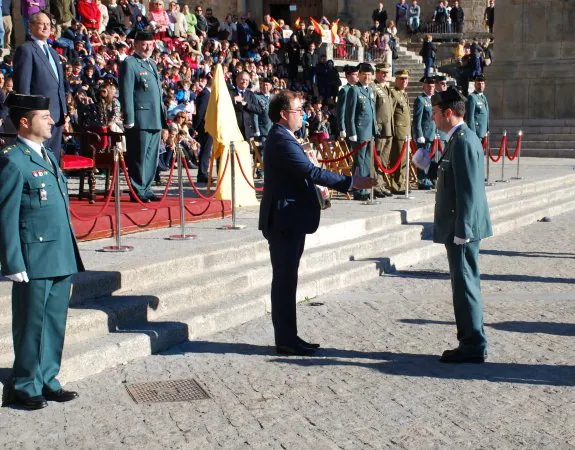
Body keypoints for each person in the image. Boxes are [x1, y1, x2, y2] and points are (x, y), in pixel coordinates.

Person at [258, 90, 377, 356]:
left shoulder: (286, 137)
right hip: (283, 219)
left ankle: (290, 336)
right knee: (284, 280)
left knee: (289, 280)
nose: (303, 115)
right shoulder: (280, 139)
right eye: (298, 111)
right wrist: (350, 182)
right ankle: (286, 340)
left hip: (290, 218)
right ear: (283, 114)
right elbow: (311, 172)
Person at [0, 93, 84, 409]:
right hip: (33, 258)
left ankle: (48, 379)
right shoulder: (12, 159)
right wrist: (11, 260)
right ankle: (25, 383)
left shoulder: (48, 155)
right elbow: (6, 215)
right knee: (31, 324)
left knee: (54, 322)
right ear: (25, 121)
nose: (52, 120)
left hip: (60, 253)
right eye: (44, 116)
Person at [413, 86, 492, 363]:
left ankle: (472, 344)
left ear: (448, 112)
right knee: (463, 283)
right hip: (459, 224)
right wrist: (428, 166)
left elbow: (469, 189)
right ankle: (471, 340)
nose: (432, 118)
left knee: (465, 284)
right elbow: (453, 176)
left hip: (462, 228)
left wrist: (464, 230)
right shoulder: (457, 139)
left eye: (434, 113)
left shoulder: (464, 140)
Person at [13, 12, 68, 163]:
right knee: (38, 160)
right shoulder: (26, 50)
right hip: (38, 117)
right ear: (30, 26)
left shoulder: (53, 53)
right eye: (41, 23)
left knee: (53, 159)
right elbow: (23, 88)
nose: (46, 27)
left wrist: (64, 111)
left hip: (56, 117)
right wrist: (30, 115)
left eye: (48, 24)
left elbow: (59, 86)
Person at [119, 30, 166, 203]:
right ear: (136, 45)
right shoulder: (129, 64)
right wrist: (129, 118)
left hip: (154, 118)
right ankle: (137, 189)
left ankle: (146, 188)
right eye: (144, 44)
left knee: (151, 157)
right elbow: (126, 92)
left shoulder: (151, 63)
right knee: (138, 157)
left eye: (150, 44)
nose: (147, 47)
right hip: (139, 118)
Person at [345, 62, 377, 201]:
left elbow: (372, 112)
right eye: (365, 74)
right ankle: (359, 189)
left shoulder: (370, 90)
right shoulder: (355, 90)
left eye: (369, 75)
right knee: (359, 161)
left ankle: (365, 187)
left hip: (369, 131)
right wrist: (351, 131)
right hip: (359, 131)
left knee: (367, 161)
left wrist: (375, 129)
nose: (367, 77)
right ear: (359, 75)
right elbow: (350, 113)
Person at [370, 62, 394, 198]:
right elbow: (373, 108)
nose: (385, 75)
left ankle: (381, 182)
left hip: (388, 129)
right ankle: (375, 185)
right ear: (377, 73)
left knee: (383, 160)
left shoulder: (386, 88)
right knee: (377, 158)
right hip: (380, 129)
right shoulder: (374, 87)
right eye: (382, 72)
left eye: (386, 72)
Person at [389, 69, 411, 194]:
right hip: (398, 132)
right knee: (398, 159)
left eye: (406, 79)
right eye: (401, 79)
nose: (404, 81)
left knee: (404, 160)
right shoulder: (394, 93)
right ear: (396, 80)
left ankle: (401, 183)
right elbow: (391, 114)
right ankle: (396, 185)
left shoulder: (403, 94)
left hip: (406, 132)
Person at [412, 77, 436, 190]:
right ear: (424, 87)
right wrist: (419, 134)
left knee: (429, 158)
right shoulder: (420, 100)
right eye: (429, 87)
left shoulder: (433, 99)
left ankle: (428, 178)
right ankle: (422, 180)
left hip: (431, 133)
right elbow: (417, 119)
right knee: (422, 158)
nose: (431, 89)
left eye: (432, 87)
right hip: (424, 134)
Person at [229, 71, 263, 140]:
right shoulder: (230, 93)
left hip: (248, 131)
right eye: (242, 79)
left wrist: (246, 104)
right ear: (237, 80)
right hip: (233, 130)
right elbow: (223, 106)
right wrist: (233, 99)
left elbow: (259, 110)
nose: (244, 82)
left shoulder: (250, 94)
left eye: (247, 80)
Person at [193, 74, 212, 182]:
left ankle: (203, 172)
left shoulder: (206, 93)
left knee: (205, 150)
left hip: (205, 126)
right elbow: (201, 111)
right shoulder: (206, 94)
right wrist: (197, 126)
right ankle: (202, 173)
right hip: (205, 126)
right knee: (205, 150)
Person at [336, 64, 359, 138]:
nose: (357, 76)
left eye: (357, 74)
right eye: (355, 74)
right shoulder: (345, 90)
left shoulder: (359, 88)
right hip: (348, 126)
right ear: (348, 76)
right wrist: (342, 128)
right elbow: (341, 110)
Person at [465, 75, 489, 141]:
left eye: (482, 84)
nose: (481, 86)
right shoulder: (472, 97)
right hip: (477, 132)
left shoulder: (483, 97)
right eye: (479, 84)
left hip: (484, 131)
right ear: (475, 85)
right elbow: (470, 117)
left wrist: (487, 129)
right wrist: (473, 133)